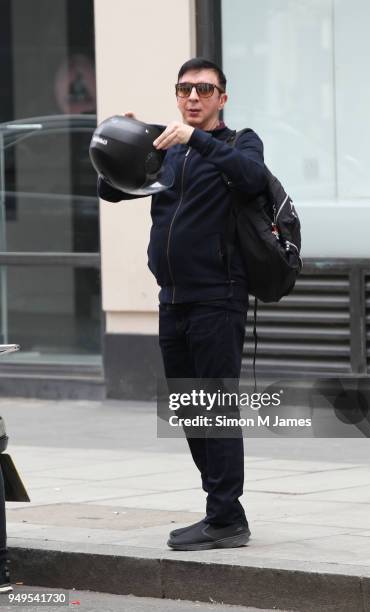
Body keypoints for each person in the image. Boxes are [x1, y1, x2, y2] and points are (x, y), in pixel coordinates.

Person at [98, 57, 267, 550]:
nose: (193, 97)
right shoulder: (166, 152)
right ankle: (221, 511)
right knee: (191, 409)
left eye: (204, 90)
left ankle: (226, 518)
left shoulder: (239, 143)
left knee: (215, 407)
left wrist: (197, 140)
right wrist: (118, 144)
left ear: (222, 98)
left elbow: (252, 178)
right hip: (173, 299)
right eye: (185, 89)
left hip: (220, 297)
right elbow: (113, 191)